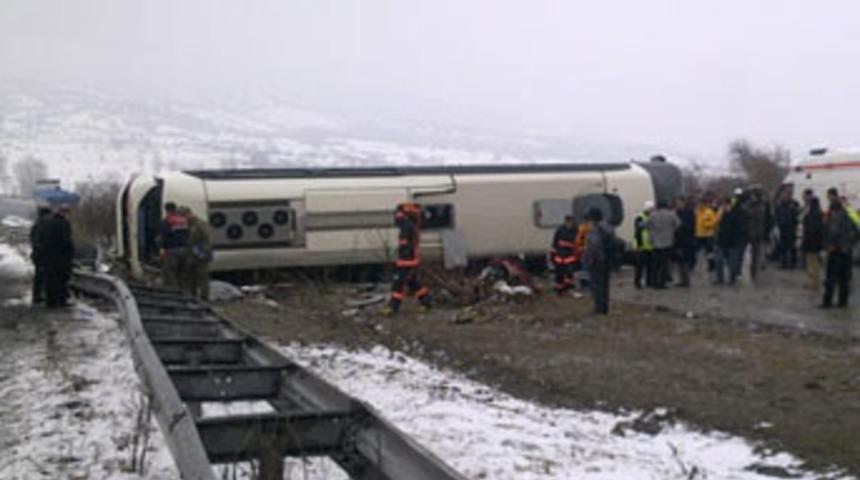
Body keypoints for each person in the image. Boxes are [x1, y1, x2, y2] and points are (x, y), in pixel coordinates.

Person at [383, 203, 431, 316]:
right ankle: (427, 301)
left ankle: (393, 307)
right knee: (413, 283)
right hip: (408, 260)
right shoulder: (411, 225)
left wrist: (403, 258)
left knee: (398, 283)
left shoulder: (407, 225)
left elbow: (406, 245)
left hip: (407, 261)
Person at [820, 198, 857, 308]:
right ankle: (843, 302)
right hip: (847, 252)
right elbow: (856, 231)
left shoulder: (834, 218)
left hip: (836, 251)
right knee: (844, 279)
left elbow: (833, 232)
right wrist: (850, 243)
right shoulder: (849, 216)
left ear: (832, 209)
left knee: (830, 279)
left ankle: (827, 302)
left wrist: (829, 245)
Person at [583, 208, 616, 314]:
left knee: (597, 285)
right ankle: (604, 307)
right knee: (605, 285)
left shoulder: (595, 229)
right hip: (608, 259)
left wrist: (589, 259)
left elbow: (594, 246)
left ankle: (599, 308)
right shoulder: (608, 227)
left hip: (597, 261)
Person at [41, 205, 75, 308]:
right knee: (61, 279)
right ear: (64, 213)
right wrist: (70, 253)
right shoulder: (64, 223)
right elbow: (66, 241)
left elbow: (42, 239)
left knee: (50, 278)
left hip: (48, 256)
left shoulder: (46, 222)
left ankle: (50, 301)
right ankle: (61, 300)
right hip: (61, 256)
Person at [644, 200, 680, 289]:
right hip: (667, 242)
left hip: (655, 242)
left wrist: (652, 231)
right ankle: (662, 282)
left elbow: (646, 225)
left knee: (655, 264)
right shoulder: (671, 214)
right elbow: (678, 224)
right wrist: (671, 230)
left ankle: (654, 282)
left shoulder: (652, 215)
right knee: (665, 264)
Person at [714, 196, 746, 285]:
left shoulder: (737, 213)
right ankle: (720, 278)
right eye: (722, 205)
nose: (723, 206)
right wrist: (719, 215)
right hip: (721, 240)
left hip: (733, 241)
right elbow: (715, 224)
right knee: (718, 260)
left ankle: (732, 279)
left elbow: (739, 227)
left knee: (732, 262)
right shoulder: (721, 213)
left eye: (725, 204)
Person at [182, 207, 213, 300]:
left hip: (201, 255)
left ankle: (204, 298)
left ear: (188, 214)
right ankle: (193, 297)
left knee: (203, 278)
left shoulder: (201, 224)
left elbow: (208, 239)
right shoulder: (189, 225)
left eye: (184, 216)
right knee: (191, 279)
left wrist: (204, 253)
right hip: (192, 256)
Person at [158, 202, 190, 288]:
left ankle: (175, 293)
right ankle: (185, 293)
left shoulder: (166, 221)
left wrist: (161, 249)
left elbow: (163, 237)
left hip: (172, 250)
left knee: (170, 274)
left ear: (167, 210)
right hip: (185, 250)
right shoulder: (184, 220)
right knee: (183, 274)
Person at [744, 188, 771, 281]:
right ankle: (753, 271)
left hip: (755, 234)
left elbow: (768, 219)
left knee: (755, 255)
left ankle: (753, 272)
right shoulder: (760, 206)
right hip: (753, 233)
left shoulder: (760, 207)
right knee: (754, 255)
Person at [550, 215, 579, 295]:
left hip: (570, 256)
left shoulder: (575, 230)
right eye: (567, 222)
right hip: (560, 255)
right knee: (559, 273)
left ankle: (569, 287)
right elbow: (555, 242)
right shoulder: (560, 229)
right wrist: (554, 252)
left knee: (570, 272)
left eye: (570, 222)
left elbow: (577, 243)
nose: (569, 223)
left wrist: (566, 244)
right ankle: (559, 289)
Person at [29, 207, 51, 305]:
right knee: (41, 276)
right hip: (41, 254)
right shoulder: (42, 225)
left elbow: (32, 239)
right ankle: (38, 296)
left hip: (37, 254)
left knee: (39, 275)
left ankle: (37, 296)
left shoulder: (37, 224)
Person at [801, 196, 824, 291]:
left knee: (811, 263)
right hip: (817, 242)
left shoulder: (810, 215)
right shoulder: (819, 214)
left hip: (810, 242)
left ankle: (813, 283)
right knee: (815, 263)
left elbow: (809, 229)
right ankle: (815, 282)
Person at [774, 188, 800, 269]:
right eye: (784, 194)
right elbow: (777, 214)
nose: (785, 196)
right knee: (783, 246)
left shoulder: (794, 204)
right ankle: (783, 263)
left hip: (791, 228)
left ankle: (792, 263)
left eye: (788, 194)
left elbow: (798, 214)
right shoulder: (780, 204)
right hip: (783, 227)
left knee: (792, 246)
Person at [673, 196, 695, 287]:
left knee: (685, 260)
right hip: (677, 240)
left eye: (679, 203)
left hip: (686, 240)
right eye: (677, 203)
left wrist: (681, 227)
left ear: (684, 203)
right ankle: (683, 279)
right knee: (679, 261)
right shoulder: (676, 213)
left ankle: (686, 280)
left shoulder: (689, 213)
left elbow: (691, 226)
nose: (678, 205)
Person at [632, 201, 655, 289]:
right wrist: (638, 245)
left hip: (650, 245)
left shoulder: (651, 217)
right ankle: (637, 282)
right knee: (640, 266)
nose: (652, 210)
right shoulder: (640, 217)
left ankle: (649, 281)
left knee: (650, 266)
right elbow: (638, 232)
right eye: (651, 209)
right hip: (641, 245)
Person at [694, 195, 718, 272]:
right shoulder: (697, 212)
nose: (700, 205)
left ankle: (711, 265)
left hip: (708, 234)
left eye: (701, 204)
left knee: (709, 251)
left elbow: (714, 222)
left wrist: (707, 224)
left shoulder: (709, 212)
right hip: (699, 234)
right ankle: (699, 266)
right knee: (698, 252)